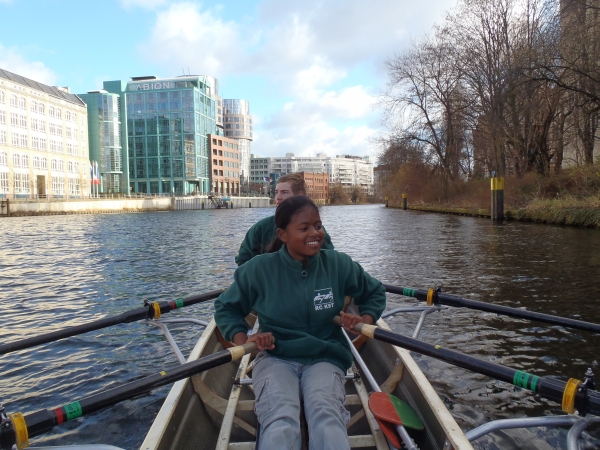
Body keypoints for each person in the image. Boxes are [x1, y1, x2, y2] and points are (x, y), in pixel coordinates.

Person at [215, 196, 386, 450]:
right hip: (276, 356)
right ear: (283, 234)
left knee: (326, 415)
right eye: (304, 228)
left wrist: (363, 320)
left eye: (318, 226)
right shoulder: (259, 269)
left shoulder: (338, 264)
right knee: (280, 419)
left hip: (325, 355)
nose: (314, 233)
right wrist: (245, 339)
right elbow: (226, 307)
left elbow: (374, 292)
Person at [235, 172, 334, 266]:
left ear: (300, 195)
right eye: (276, 192)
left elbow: (328, 261)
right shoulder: (261, 227)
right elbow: (243, 259)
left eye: (284, 192)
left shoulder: (317, 232)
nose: (278, 197)